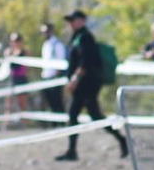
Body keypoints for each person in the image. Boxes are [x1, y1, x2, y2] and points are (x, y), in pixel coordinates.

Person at [55, 9, 128, 161]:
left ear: (82, 21)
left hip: (87, 86)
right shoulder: (77, 37)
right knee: (89, 116)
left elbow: (85, 62)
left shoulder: (86, 38)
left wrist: (74, 79)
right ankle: (120, 140)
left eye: (73, 20)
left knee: (78, 115)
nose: (70, 23)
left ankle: (73, 150)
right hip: (82, 86)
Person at [39, 22, 68, 115]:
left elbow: (62, 61)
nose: (45, 33)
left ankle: (61, 123)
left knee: (57, 101)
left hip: (55, 78)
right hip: (46, 77)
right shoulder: (45, 45)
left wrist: (56, 76)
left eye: (46, 31)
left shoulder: (57, 44)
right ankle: (54, 124)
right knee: (49, 102)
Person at [3, 33, 30, 127]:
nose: (15, 43)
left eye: (17, 40)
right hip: (12, 79)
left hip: (21, 79)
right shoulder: (9, 52)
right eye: (14, 41)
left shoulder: (25, 52)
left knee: (22, 103)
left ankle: (24, 124)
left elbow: (28, 66)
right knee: (9, 103)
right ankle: (7, 124)